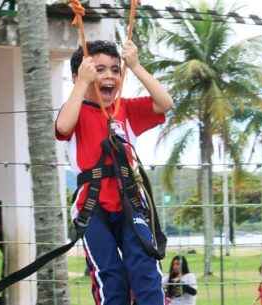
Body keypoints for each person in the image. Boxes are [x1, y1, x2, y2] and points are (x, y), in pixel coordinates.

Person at [55, 39, 173, 305]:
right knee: (112, 275)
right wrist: (82, 84)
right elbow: (63, 126)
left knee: (144, 267)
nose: (109, 75)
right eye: (99, 69)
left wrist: (135, 66)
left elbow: (164, 103)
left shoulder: (125, 110)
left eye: (115, 70)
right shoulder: (76, 110)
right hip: (93, 205)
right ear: (80, 76)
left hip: (129, 200)